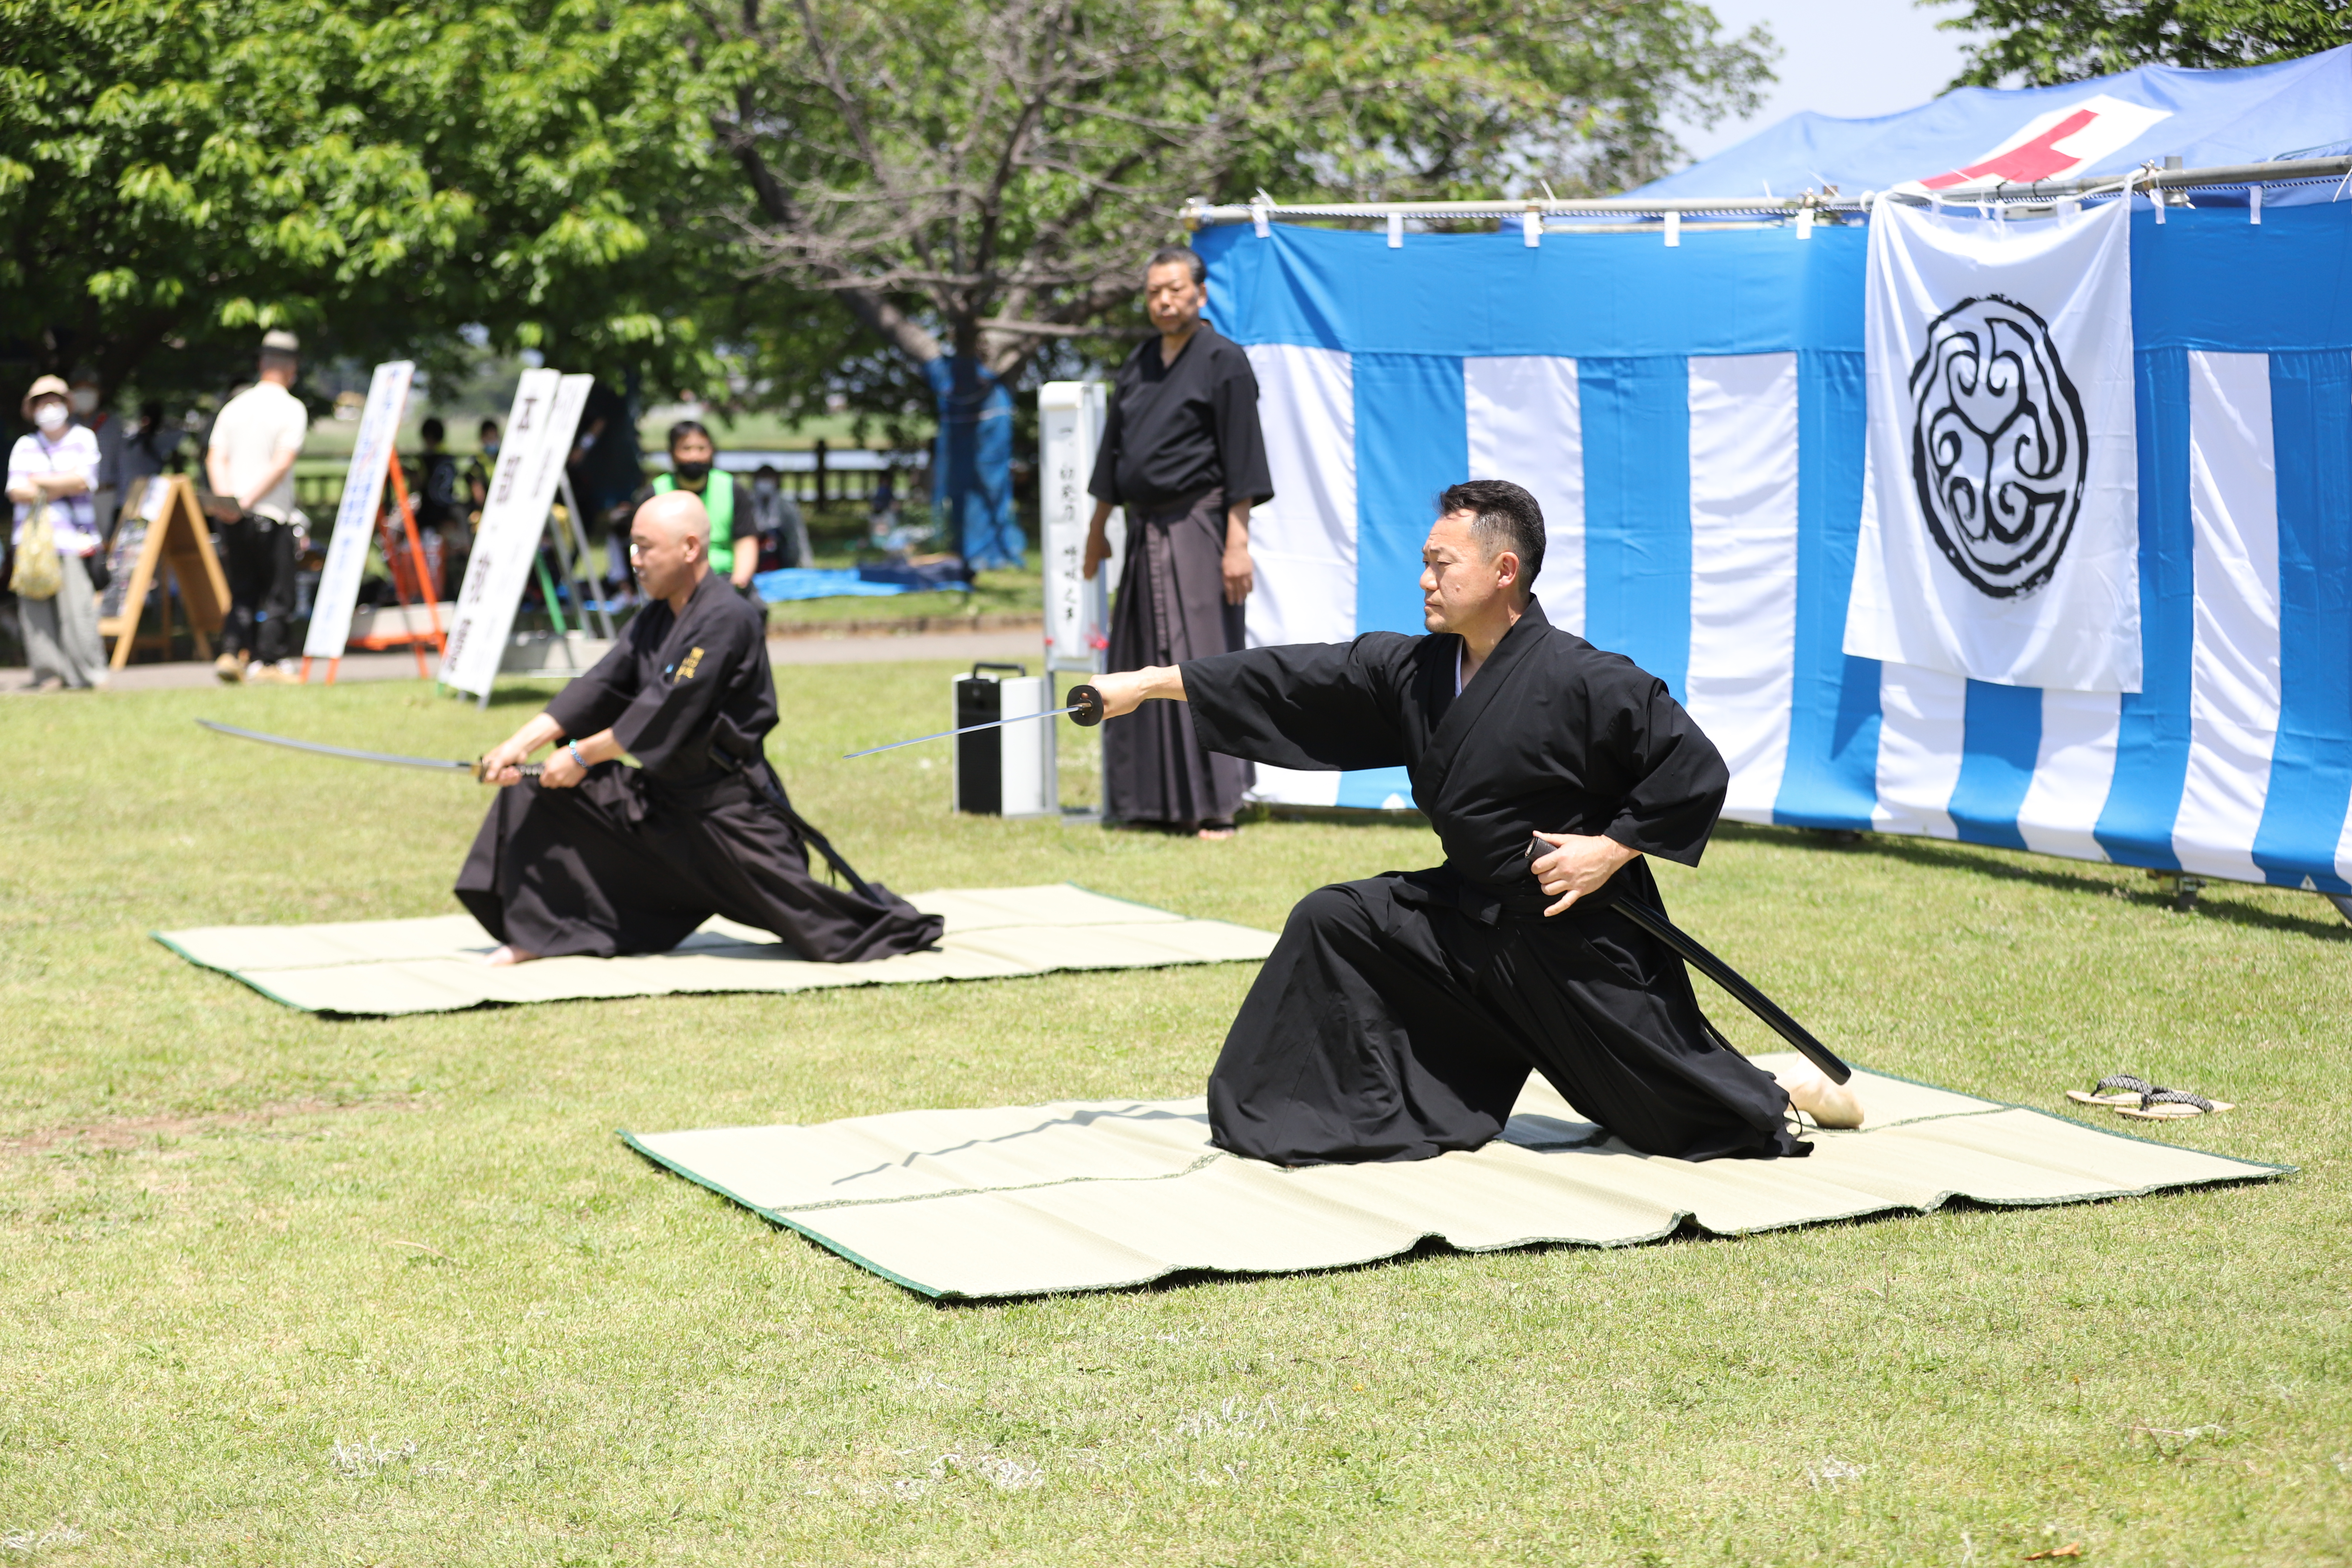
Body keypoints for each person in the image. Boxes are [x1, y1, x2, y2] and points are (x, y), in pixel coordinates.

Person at [1087, 479, 1863, 1169]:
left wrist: (1609, 849)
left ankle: (1783, 1087)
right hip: (1463, 925)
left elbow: (1693, 769)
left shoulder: (1587, 678)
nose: (1424, 580)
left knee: (1686, 1122)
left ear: (1504, 570)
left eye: (1440, 564)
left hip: (1573, 939)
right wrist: (1148, 685)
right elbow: (1294, 678)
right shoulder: (1415, 673)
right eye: (1424, 563)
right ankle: (1307, 1115)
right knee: (1336, 919)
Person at [456, 490, 943, 967]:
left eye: (645, 546)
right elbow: (601, 684)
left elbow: (664, 709)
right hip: (660, 805)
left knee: (830, 938)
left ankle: (893, 923)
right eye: (632, 546)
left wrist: (581, 756)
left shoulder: (728, 617)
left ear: (690, 548)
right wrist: (518, 746)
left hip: (729, 814)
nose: (634, 559)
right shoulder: (654, 619)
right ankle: (537, 935)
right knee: (535, 789)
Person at [1082, 245, 1273, 840]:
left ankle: (1215, 804)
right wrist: (1096, 532)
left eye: (1174, 289)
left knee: (1200, 658)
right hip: (1144, 530)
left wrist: (1236, 542)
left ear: (1200, 293)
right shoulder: (1138, 362)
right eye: (1153, 293)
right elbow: (1115, 451)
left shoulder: (1224, 361)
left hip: (1200, 524)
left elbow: (1243, 455)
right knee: (1136, 657)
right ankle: (1146, 801)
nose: (1164, 301)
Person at [204, 329, 309, 683]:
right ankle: (269, 661)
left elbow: (215, 457)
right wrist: (249, 500)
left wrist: (228, 501)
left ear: (262, 363)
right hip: (271, 513)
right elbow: (281, 464)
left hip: (232, 515)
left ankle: (232, 652)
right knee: (279, 592)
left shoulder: (235, 406)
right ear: (292, 368)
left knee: (242, 588)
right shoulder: (292, 409)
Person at [6, 375, 109, 690]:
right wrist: (57, 483)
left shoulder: (83, 438)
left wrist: (38, 481)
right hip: (32, 541)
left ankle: (88, 675)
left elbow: (82, 481)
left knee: (77, 611)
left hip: (73, 539)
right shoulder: (25, 444)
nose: (48, 408)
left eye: (54, 402)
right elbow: (15, 490)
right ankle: (49, 675)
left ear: (66, 405)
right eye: (41, 403)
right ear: (32, 409)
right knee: (37, 613)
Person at [648, 421, 743, 588]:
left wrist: (738, 585)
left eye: (701, 449)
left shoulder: (731, 488)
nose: (694, 457)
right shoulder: (655, 493)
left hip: (724, 578)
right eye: (686, 449)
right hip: (672, 581)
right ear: (672, 453)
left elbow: (746, 541)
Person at [746, 463, 811, 574]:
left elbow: (799, 537)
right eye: (763, 478)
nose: (765, 482)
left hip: (781, 556)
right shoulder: (747, 503)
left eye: (769, 478)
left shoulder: (787, 507)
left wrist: (806, 565)